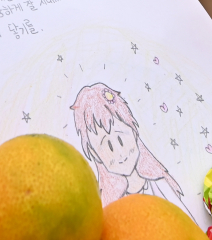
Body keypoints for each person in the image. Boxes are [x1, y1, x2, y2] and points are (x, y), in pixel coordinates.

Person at [70, 83, 190, 215]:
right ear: (95, 154)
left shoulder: (159, 183)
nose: (119, 151)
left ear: (133, 131)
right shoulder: (111, 209)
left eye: (121, 138)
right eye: (107, 146)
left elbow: (188, 223)